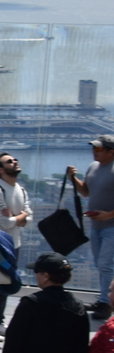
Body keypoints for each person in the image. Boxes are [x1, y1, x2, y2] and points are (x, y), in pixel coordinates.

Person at [65, 134, 114, 320]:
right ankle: (104, 299)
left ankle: (106, 303)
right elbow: (86, 191)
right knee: (101, 264)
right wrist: (73, 178)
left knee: (105, 264)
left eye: (99, 149)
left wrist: (108, 215)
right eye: (94, 148)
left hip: (111, 226)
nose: (94, 151)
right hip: (96, 226)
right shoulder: (93, 167)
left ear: (111, 152)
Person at [0, 152, 30, 337]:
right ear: (0, 169)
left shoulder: (21, 189)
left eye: (14, 160)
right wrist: (21, 216)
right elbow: (5, 223)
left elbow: (29, 218)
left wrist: (17, 217)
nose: (15, 162)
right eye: (9, 161)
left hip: (13, 244)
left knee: (5, 283)